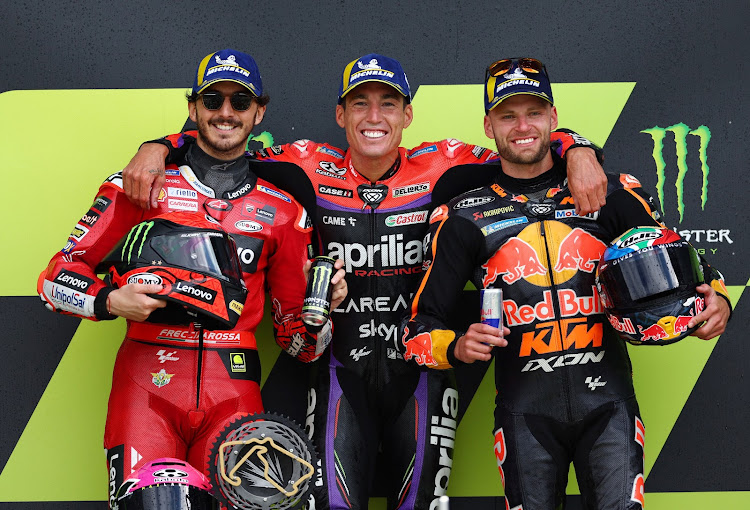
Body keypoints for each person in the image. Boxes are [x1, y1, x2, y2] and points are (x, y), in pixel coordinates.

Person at [121, 53, 607, 510]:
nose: (374, 116)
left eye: (388, 103)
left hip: (423, 375)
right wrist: (160, 146)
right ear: (340, 114)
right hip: (338, 375)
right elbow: (227, 142)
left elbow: (524, 148)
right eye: (360, 103)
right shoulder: (307, 165)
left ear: (407, 115)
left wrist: (579, 148)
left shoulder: (444, 164)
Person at [400, 57, 732, 509]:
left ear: (553, 119)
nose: (522, 126)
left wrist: (719, 304)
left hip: (610, 406)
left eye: (533, 112)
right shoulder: (463, 216)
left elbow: (696, 273)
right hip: (524, 414)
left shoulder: (609, 193)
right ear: (488, 125)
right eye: (507, 114)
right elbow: (416, 331)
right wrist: (454, 346)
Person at [37, 49, 346, 507]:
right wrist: (109, 301)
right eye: (213, 99)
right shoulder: (141, 183)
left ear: (259, 112)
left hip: (235, 395)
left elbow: (297, 344)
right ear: (193, 109)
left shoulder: (283, 211)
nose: (226, 112)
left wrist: (322, 317)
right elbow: (54, 279)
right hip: (145, 389)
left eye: (240, 103)